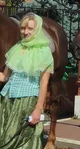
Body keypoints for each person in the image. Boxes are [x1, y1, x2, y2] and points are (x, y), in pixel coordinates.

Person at [0, 13, 54, 149]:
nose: (26, 32)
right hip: (7, 102)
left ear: (37, 29)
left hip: (27, 102)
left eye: (30, 29)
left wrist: (37, 110)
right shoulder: (17, 48)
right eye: (23, 28)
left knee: (24, 141)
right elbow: (5, 77)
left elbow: (44, 83)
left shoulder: (43, 51)